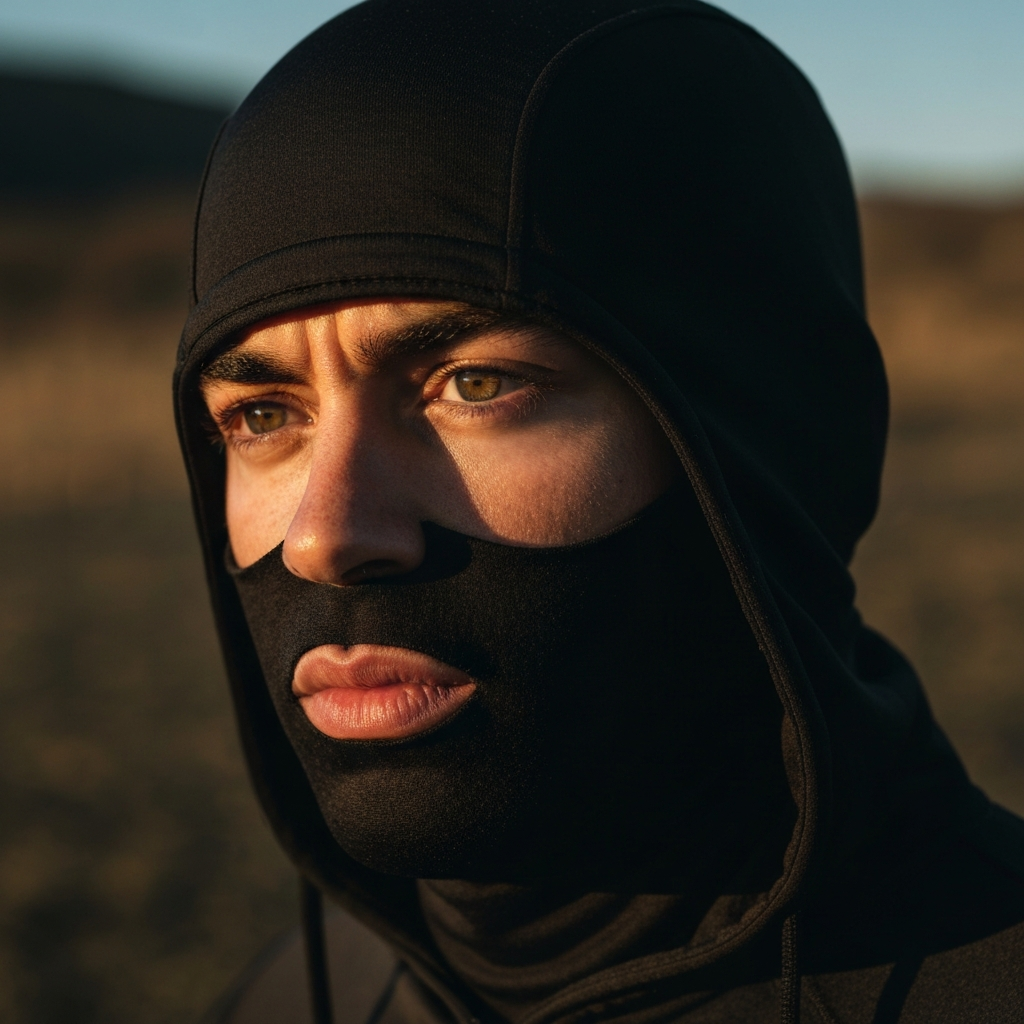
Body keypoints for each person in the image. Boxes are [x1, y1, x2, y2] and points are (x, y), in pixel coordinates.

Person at [175, 1, 1024, 1021]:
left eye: (476, 385)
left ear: (769, 438)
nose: (325, 534)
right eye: (264, 412)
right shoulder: (289, 999)